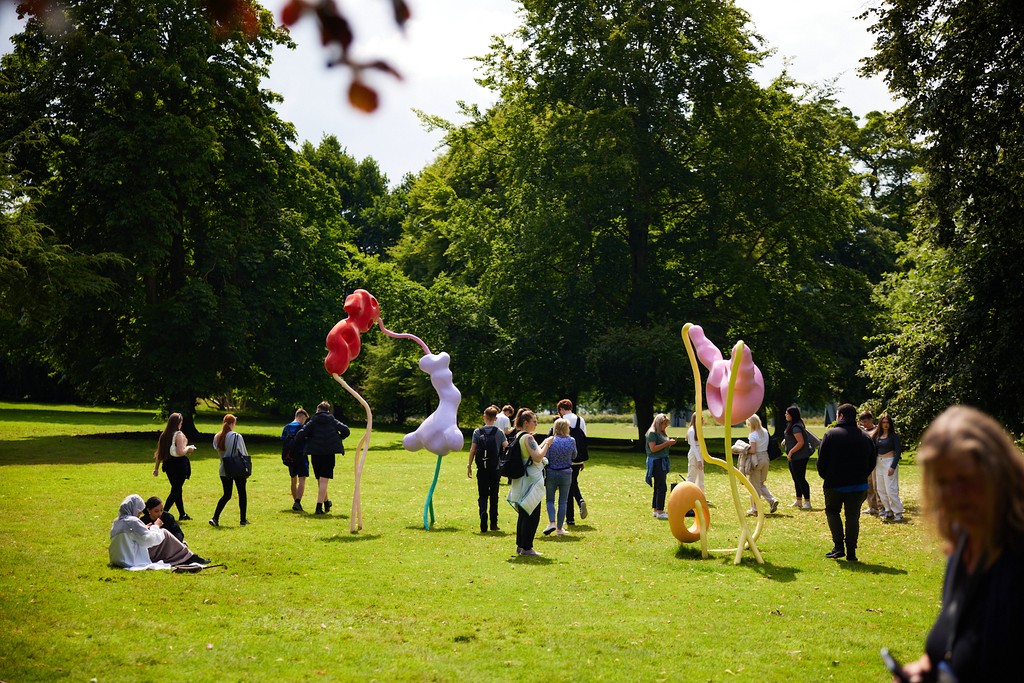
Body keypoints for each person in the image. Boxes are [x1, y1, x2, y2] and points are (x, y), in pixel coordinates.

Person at [896, 405, 1024, 682]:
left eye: (965, 479)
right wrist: (924, 668)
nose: (954, 494)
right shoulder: (964, 546)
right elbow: (955, 646)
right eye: (942, 482)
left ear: (998, 474)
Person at [816, 403, 876, 562]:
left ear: (841, 416)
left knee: (832, 512)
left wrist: (827, 477)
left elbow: (821, 462)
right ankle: (851, 551)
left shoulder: (830, 435)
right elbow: (872, 461)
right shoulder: (865, 437)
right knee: (852, 517)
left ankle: (838, 546)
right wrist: (863, 475)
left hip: (834, 483)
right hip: (858, 485)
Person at [109, 494, 208, 569]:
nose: (139, 514)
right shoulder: (133, 521)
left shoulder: (117, 521)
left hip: (118, 558)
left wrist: (146, 529)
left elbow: (132, 537)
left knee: (168, 536)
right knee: (164, 533)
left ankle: (184, 553)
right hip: (131, 559)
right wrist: (156, 527)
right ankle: (189, 557)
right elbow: (150, 540)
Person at [506, 409, 552, 556]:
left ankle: (520, 546)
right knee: (532, 515)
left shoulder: (518, 435)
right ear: (526, 423)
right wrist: (548, 444)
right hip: (531, 480)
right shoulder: (528, 438)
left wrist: (543, 443)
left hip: (521, 480)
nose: (536, 424)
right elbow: (538, 457)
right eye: (534, 422)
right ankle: (527, 548)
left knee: (523, 514)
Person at [293, 401, 350, 515]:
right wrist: (338, 438)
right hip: (329, 453)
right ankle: (319, 507)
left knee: (320, 479)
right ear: (328, 410)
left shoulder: (313, 421)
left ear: (318, 410)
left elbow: (301, 434)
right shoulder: (332, 420)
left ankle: (325, 503)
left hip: (316, 453)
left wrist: (306, 440)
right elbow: (346, 430)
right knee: (324, 480)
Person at [467, 405, 507, 533]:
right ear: (495, 418)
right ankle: (493, 524)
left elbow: (473, 449)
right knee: (494, 496)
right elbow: (506, 447)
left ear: (484, 417)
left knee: (482, 495)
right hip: (495, 469)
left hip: (482, 469)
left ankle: (483, 513)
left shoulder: (477, 432)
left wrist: (469, 465)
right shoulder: (499, 432)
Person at [152, 412, 197, 521]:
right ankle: (163, 515)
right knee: (176, 490)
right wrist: (189, 449)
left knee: (177, 489)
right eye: (181, 422)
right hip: (179, 465)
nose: (181, 424)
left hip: (168, 465)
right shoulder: (178, 435)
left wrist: (156, 468)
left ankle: (182, 514)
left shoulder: (164, 435)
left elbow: (159, 453)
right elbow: (181, 452)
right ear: (178, 423)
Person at [209, 414, 250, 527]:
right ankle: (242, 520)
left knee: (227, 495)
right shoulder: (236, 436)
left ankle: (215, 517)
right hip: (236, 468)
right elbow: (243, 453)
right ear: (233, 423)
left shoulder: (217, 437)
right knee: (242, 493)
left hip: (224, 468)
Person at [557, 399, 589, 525]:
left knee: (567, 487)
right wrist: (581, 460)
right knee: (572, 483)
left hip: (564, 458)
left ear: (561, 409)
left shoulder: (561, 421)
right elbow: (584, 439)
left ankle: (570, 517)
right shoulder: (580, 420)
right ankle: (575, 509)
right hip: (578, 457)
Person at [543, 417, 576, 536]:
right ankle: (559, 528)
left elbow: (545, 456)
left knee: (550, 500)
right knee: (563, 501)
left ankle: (552, 522)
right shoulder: (571, 440)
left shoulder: (550, 440)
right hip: (566, 472)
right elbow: (574, 455)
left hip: (551, 472)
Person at [744, 414, 779, 515]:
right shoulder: (765, 432)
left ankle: (755, 508)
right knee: (760, 483)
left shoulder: (753, 435)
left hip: (757, 459)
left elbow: (753, 450)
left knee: (754, 485)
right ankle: (772, 500)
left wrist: (743, 450)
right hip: (765, 458)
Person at [873, 413, 904, 523]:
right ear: (880, 423)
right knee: (881, 489)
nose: (885, 425)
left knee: (891, 489)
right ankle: (888, 510)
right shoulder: (877, 436)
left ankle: (898, 512)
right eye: (883, 422)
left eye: (887, 422)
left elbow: (898, 451)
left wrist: (893, 466)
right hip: (879, 463)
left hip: (889, 462)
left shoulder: (894, 436)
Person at [645, 413, 676, 520]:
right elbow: (653, 449)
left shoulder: (661, 433)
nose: (665, 427)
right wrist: (667, 443)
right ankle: (660, 511)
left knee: (658, 486)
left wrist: (669, 442)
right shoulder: (652, 433)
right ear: (659, 424)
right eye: (664, 424)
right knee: (662, 486)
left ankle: (655, 509)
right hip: (656, 462)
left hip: (662, 460)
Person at [784, 406, 813, 509]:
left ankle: (807, 502)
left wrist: (791, 452)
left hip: (799, 457)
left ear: (792, 415)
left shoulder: (796, 426)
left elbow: (801, 442)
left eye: (787, 413)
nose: (785, 415)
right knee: (796, 478)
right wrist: (785, 441)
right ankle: (798, 500)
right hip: (794, 457)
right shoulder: (792, 425)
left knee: (800, 479)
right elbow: (791, 437)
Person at [281, 408, 310, 512]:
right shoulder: (303, 427)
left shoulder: (286, 427)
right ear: (302, 417)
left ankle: (296, 503)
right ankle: (297, 502)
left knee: (293, 480)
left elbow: (282, 440)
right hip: (301, 456)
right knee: (302, 479)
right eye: (305, 419)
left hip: (290, 457)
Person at [858, 410, 883, 516]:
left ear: (871, 420)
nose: (864, 424)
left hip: (876, 460)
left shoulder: (877, 430)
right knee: (868, 485)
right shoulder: (861, 431)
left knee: (877, 484)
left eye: (866, 421)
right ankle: (872, 506)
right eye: (862, 422)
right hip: (865, 461)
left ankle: (881, 506)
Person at [685, 413, 705, 494]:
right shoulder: (691, 430)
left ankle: (701, 495)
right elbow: (693, 446)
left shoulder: (698, 430)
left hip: (699, 452)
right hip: (694, 454)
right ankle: (688, 495)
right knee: (692, 475)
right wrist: (699, 460)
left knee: (700, 476)